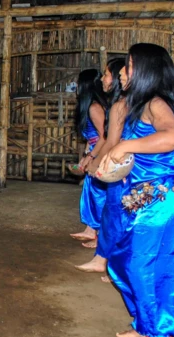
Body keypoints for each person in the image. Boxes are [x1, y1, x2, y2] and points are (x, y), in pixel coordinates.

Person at [102, 43, 174, 337]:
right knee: (121, 261)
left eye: (128, 66)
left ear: (145, 71)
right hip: (146, 200)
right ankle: (145, 322)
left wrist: (122, 148)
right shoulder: (136, 103)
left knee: (145, 266)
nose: (122, 72)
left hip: (163, 202)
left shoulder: (156, 103)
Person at [75, 58, 127, 275]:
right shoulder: (110, 105)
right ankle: (101, 252)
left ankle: (108, 258)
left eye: (107, 74)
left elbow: (107, 139)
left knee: (109, 205)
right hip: (109, 156)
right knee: (105, 204)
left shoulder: (99, 108)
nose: (103, 78)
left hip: (114, 159)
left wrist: (94, 159)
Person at [69, 69, 108, 246]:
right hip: (94, 150)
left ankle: (100, 236)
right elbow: (89, 138)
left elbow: (104, 137)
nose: (76, 86)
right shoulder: (88, 107)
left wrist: (92, 156)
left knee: (99, 194)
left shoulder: (94, 108)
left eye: (79, 83)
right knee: (90, 191)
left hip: (102, 151)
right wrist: (85, 155)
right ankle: (90, 229)